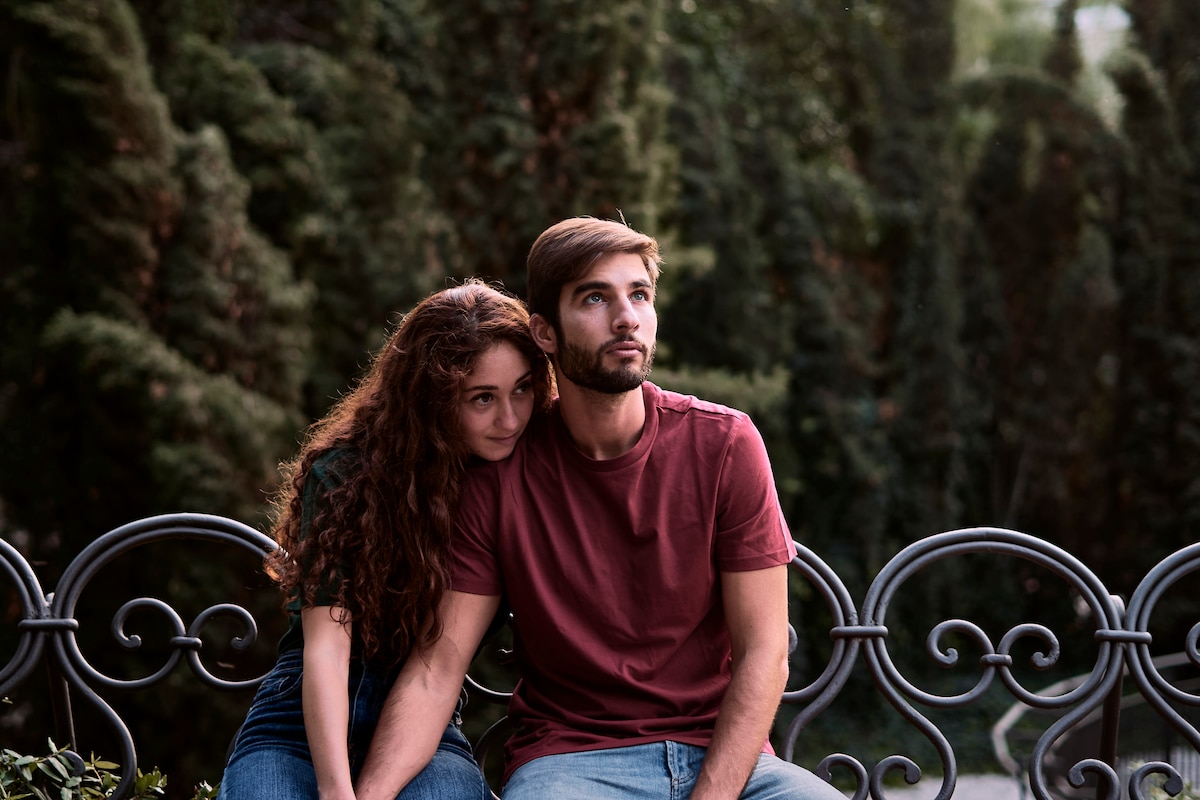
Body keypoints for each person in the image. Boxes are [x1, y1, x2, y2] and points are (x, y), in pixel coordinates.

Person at [355, 217, 845, 800]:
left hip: (725, 762)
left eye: (639, 294)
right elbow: (437, 670)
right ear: (544, 332)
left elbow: (765, 653)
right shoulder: (500, 475)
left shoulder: (725, 444)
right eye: (595, 298)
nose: (626, 317)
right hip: (571, 765)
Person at [217, 280, 554, 800]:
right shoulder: (348, 473)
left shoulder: (521, 479)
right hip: (300, 722)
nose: (509, 419)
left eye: (523, 389)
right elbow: (327, 649)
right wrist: (336, 790)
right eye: (482, 398)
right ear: (432, 399)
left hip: (422, 724)